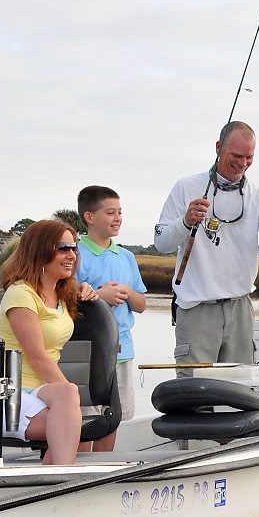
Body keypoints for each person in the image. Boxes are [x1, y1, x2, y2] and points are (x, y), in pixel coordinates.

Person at [155, 121, 259, 377]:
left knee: (239, 390)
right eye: (236, 156)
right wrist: (185, 221)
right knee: (195, 393)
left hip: (240, 309)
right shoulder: (185, 187)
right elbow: (162, 242)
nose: (243, 163)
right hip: (196, 308)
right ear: (218, 148)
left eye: (249, 157)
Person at [0, 219, 99, 465]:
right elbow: (37, 356)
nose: (72, 254)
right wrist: (72, 404)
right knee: (70, 420)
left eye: (74, 248)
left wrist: (87, 290)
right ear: (39, 251)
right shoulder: (21, 293)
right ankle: (61, 485)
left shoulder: (63, 294)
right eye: (63, 248)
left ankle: (53, 484)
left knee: (72, 424)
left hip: (38, 392)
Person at [76, 185, 147, 451]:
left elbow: (141, 305)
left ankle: (103, 471)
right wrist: (99, 294)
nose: (118, 218)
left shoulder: (126, 257)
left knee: (111, 418)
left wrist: (127, 292)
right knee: (85, 420)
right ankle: (78, 474)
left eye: (120, 212)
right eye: (110, 212)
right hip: (87, 354)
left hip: (123, 352)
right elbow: (60, 295)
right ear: (89, 217)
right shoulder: (76, 253)